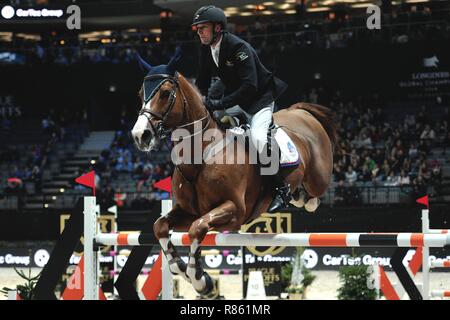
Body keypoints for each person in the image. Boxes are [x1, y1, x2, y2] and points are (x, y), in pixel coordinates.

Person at [192, 5, 289, 212]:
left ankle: (280, 189)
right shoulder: (206, 48)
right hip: (235, 100)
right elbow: (201, 81)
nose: (199, 31)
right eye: (197, 28)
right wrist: (200, 103)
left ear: (218, 28)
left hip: (259, 100)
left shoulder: (238, 48)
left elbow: (250, 86)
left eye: (203, 27)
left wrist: (218, 104)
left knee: (258, 139)